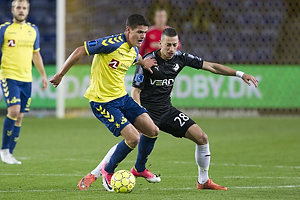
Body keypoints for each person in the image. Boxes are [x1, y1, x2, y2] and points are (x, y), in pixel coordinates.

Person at [77, 27, 259, 191]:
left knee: (202, 137)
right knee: (132, 138)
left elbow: (211, 66)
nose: (172, 49)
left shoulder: (181, 58)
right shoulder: (148, 60)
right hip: (146, 111)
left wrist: (240, 74)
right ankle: (95, 173)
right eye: (168, 45)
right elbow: (135, 92)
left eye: (175, 45)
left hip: (167, 111)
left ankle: (203, 181)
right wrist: (141, 112)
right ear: (160, 43)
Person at [49, 14, 161, 192]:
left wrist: (144, 62)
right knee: (133, 138)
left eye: (145, 33)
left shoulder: (133, 50)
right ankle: (107, 171)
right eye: (139, 32)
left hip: (122, 98)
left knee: (153, 130)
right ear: (128, 30)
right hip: (103, 102)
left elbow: (135, 58)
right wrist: (61, 74)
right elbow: (80, 50)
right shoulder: (111, 43)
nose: (142, 36)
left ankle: (139, 169)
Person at [0, 0, 48, 164]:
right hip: (9, 75)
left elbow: (36, 54)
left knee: (19, 116)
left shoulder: (33, 30)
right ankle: (4, 150)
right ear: (12, 9)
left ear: (28, 11)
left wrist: (42, 75)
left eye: (24, 8)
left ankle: (10, 154)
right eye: (18, 8)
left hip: (26, 78)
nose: (21, 10)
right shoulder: (4, 29)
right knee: (13, 111)